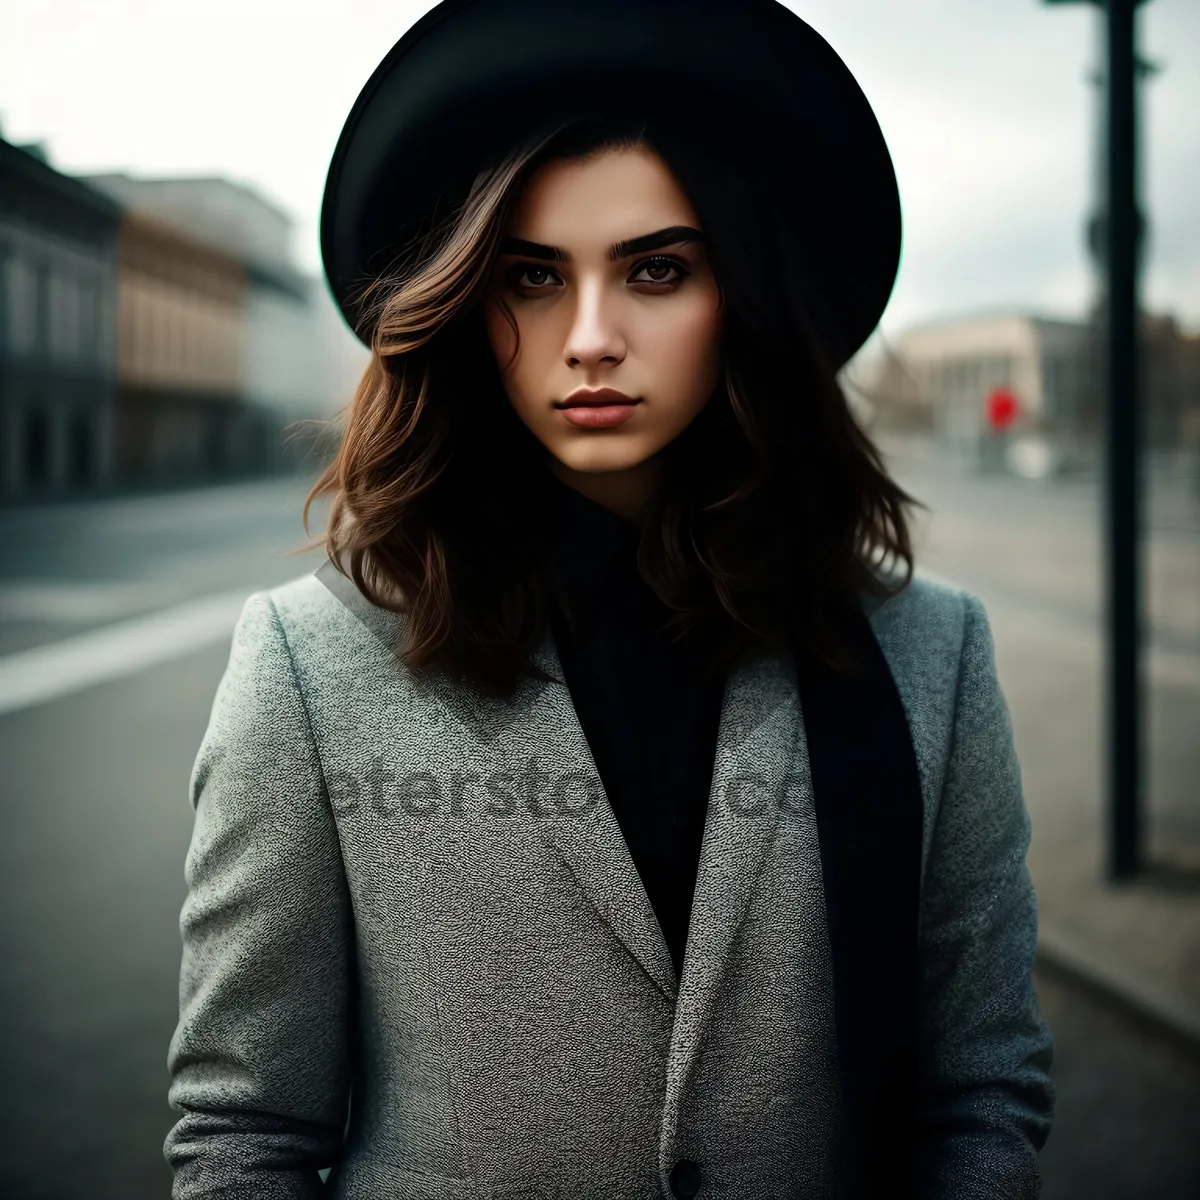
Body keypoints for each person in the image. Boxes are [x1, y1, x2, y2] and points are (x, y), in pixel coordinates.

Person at [163, 2, 1055, 1197]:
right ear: (466, 304)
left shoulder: (927, 648)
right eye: (532, 277)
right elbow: (245, 1132)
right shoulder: (309, 659)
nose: (590, 337)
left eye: (657, 270)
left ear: (742, 296)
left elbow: (984, 1086)